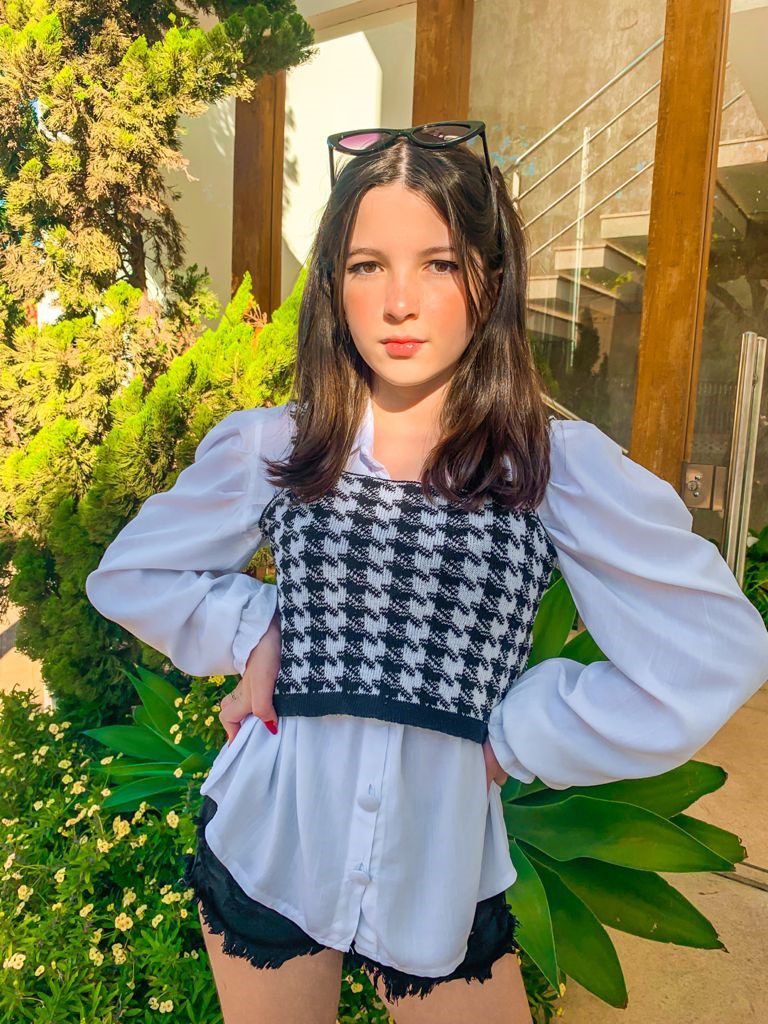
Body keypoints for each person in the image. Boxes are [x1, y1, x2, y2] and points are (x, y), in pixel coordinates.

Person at [85, 121, 768, 1024]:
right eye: (367, 265)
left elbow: (713, 651)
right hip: (272, 841)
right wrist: (260, 630)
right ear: (333, 287)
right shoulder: (281, 445)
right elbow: (134, 574)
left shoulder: (550, 466)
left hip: (438, 874)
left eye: (439, 263)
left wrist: (519, 738)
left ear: (490, 279)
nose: (399, 303)